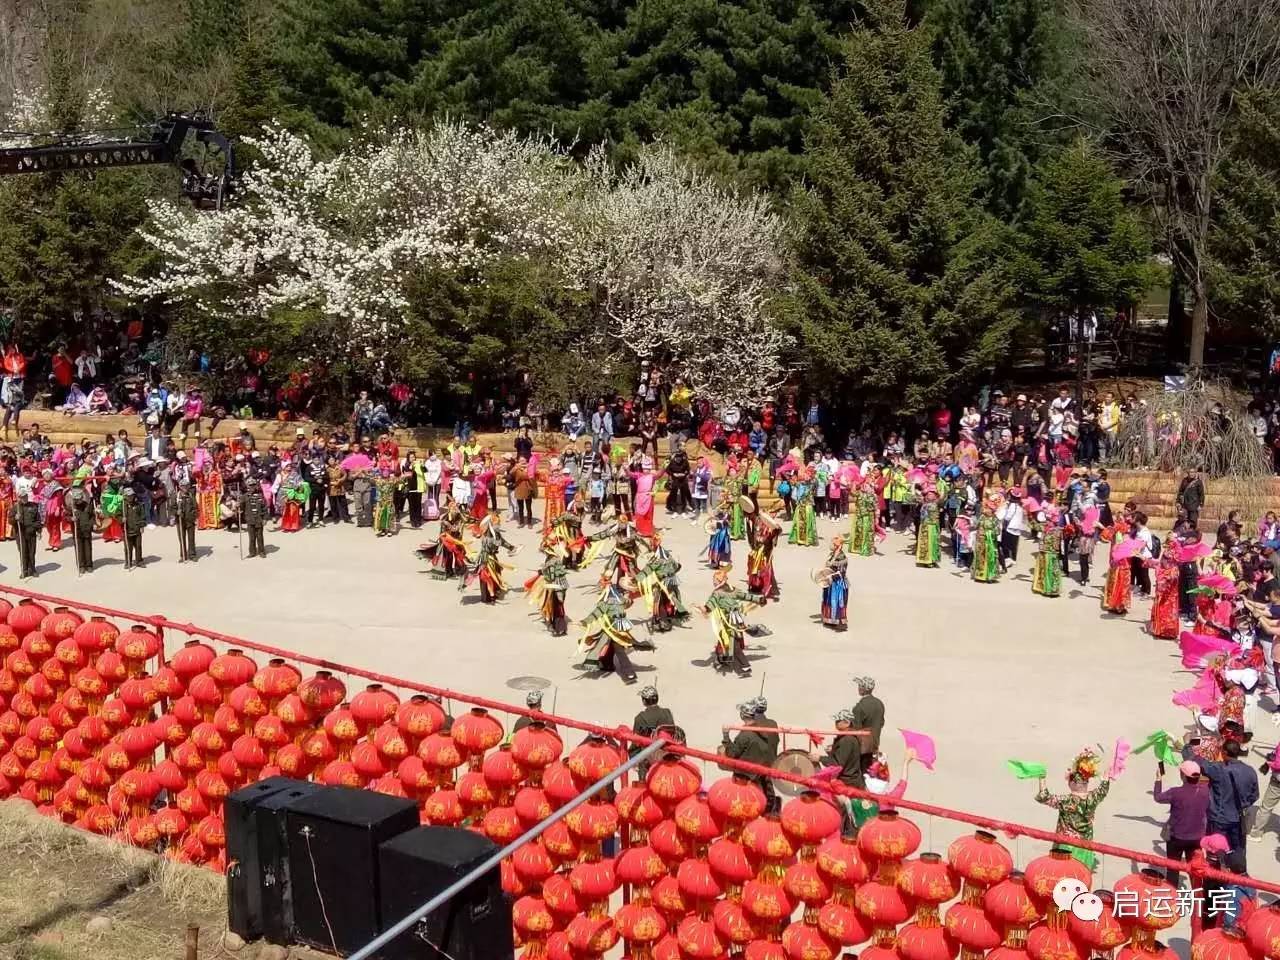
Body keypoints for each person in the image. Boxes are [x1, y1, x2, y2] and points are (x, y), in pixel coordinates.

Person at [1034, 749, 1112, 869]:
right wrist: (1106, 777)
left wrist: (1042, 778)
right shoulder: (1093, 798)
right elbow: (1103, 789)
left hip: (1065, 847)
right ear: (1087, 783)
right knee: (1081, 876)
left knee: (1064, 875)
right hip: (1085, 846)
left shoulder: (1065, 800)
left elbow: (1044, 797)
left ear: (1072, 783)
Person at [1189, 738, 1259, 861]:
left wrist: (1194, 745)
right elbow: (1255, 795)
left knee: (1215, 852)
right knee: (1235, 852)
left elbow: (1199, 762)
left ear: (1224, 752)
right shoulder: (1250, 771)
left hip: (1218, 819)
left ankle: (1217, 876)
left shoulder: (1218, 769)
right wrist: (1242, 804)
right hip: (1237, 820)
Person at [577, 583, 648, 685]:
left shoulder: (609, 603)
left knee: (615, 649)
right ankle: (611, 666)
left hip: (616, 630)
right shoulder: (618, 602)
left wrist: (584, 621)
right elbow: (629, 602)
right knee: (612, 648)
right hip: (614, 630)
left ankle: (627, 672)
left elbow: (595, 614)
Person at [1153, 760, 1209, 882]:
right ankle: (1198, 897)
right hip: (1197, 837)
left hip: (1177, 837)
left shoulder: (1175, 792)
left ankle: (1173, 896)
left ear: (1182, 775)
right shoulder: (1206, 791)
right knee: (1195, 870)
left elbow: (1157, 797)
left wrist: (1158, 779)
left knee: (1173, 869)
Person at [721, 698, 780, 813]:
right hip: (764, 765)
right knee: (767, 792)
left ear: (742, 715)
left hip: (746, 774)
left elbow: (732, 754)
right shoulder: (766, 726)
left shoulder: (745, 735)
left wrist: (726, 736)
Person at [701, 565, 760, 677]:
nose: (714, 583)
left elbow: (745, 596)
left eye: (715, 580)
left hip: (732, 622)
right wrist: (703, 609)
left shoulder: (721, 592)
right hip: (728, 622)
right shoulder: (724, 592)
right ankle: (724, 658)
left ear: (719, 580)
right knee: (725, 641)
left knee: (734, 644)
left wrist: (758, 599)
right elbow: (710, 605)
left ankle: (745, 666)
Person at [525, 537, 570, 636]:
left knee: (557, 607)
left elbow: (551, 576)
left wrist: (542, 574)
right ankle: (558, 626)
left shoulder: (551, 561)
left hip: (556, 586)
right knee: (558, 607)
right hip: (561, 584)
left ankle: (559, 629)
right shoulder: (556, 558)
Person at [746, 508, 783, 603]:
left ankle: (765, 588)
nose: (773, 515)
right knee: (754, 568)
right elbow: (751, 521)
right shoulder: (757, 520)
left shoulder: (772, 526)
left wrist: (777, 531)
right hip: (756, 550)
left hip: (765, 551)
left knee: (765, 570)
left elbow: (777, 532)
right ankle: (755, 586)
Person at [850, 676, 885, 774]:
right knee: (870, 773)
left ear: (863, 689)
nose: (858, 688)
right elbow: (881, 723)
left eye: (860, 686)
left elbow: (856, 729)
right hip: (875, 743)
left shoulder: (860, 707)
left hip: (862, 746)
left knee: (860, 773)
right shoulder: (879, 704)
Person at [1032, 507, 1064, 598]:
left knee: (1051, 570)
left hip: (1052, 552)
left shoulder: (1058, 529)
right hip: (1046, 551)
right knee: (1047, 569)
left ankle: (1051, 589)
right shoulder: (1045, 526)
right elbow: (1034, 526)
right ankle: (1047, 588)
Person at [66, 474, 95, 574]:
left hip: (86, 529)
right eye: (76, 499)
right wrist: (71, 518)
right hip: (77, 530)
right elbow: (66, 517)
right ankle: (81, 565)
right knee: (79, 548)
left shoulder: (87, 505)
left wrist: (92, 524)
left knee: (88, 548)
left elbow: (92, 516)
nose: (78, 501)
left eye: (79, 498)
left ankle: (89, 565)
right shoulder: (71, 508)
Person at [820, 535, 849, 631]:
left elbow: (842, 573)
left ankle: (837, 621)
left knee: (836, 602)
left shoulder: (842, 557)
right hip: (830, 582)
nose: (832, 545)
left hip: (837, 584)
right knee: (828, 600)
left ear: (838, 545)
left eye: (834, 544)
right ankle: (829, 620)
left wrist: (831, 577)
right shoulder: (833, 554)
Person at [971, 500, 1001, 583]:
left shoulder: (995, 519)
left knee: (990, 558)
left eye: (989, 509)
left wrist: (989, 532)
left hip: (990, 542)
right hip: (981, 541)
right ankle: (979, 575)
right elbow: (976, 525)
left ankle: (989, 576)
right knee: (980, 557)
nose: (987, 510)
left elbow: (998, 531)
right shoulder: (982, 517)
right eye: (986, 508)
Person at [14, 490, 38, 579]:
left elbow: (38, 520)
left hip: (31, 533)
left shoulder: (33, 506)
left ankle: (32, 569)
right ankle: (24, 570)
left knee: (32, 552)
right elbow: (10, 520)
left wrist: (38, 530)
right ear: (19, 498)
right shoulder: (15, 507)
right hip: (21, 534)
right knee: (23, 552)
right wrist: (15, 518)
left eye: (25, 496)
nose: (24, 498)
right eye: (22, 497)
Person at [915, 489, 941, 567]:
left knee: (933, 543)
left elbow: (943, 496)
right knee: (926, 543)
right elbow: (914, 496)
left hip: (933, 526)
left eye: (932, 494)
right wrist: (914, 487)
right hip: (925, 526)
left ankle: (933, 559)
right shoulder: (925, 504)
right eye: (928, 495)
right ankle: (927, 560)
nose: (930, 496)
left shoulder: (934, 504)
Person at [123, 487, 146, 570]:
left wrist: (142, 526)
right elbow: (117, 516)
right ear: (125, 496)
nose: (131, 497)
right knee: (128, 547)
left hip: (137, 529)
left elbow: (142, 516)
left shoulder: (138, 505)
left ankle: (139, 561)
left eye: (132, 495)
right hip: (127, 530)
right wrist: (121, 519)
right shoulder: (122, 506)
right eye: (129, 496)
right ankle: (128, 561)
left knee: (138, 546)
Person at [175, 476, 197, 563]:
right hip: (180, 522)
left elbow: (195, 507)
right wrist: (177, 512)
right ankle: (183, 555)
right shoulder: (176, 497)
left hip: (190, 520)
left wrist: (194, 516)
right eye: (183, 486)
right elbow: (171, 508)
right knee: (182, 538)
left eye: (187, 486)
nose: (185, 488)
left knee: (191, 538)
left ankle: (192, 554)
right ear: (180, 487)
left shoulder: (191, 495)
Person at [245, 486, 268, 559]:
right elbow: (241, 507)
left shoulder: (260, 497)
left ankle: (261, 552)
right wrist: (238, 506)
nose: (251, 488)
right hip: (250, 520)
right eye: (249, 486)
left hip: (259, 520)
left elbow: (265, 508)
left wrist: (265, 519)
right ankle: (252, 552)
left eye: (253, 486)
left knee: (260, 537)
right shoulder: (245, 496)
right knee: (251, 538)